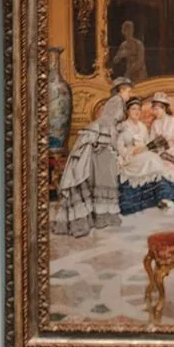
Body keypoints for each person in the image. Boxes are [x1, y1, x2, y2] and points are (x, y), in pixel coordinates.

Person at [53, 76, 130, 237]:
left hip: (102, 138)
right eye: (128, 91)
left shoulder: (116, 101)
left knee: (102, 176)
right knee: (105, 176)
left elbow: (111, 123)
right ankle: (101, 216)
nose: (129, 94)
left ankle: (99, 215)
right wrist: (115, 144)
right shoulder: (117, 101)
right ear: (121, 90)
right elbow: (108, 122)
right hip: (101, 139)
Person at [114, 97, 174, 214]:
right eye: (133, 109)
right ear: (127, 111)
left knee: (153, 158)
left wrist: (149, 149)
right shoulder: (122, 127)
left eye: (139, 109)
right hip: (129, 158)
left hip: (144, 155)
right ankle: (160, 197)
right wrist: (131, 151)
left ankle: (164, 197)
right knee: (152, 159)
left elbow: (148, 144)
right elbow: (119, 147)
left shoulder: (142, 127)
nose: (137, 112)